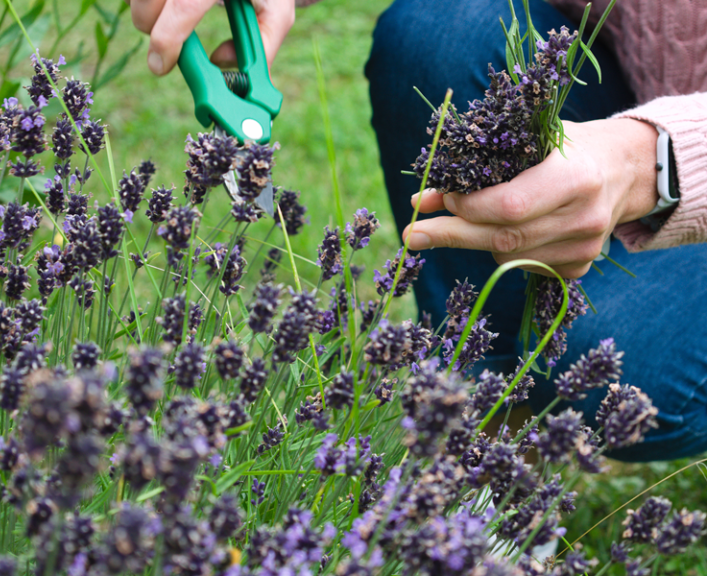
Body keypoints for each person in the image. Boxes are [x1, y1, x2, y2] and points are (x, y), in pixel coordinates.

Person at [127, 0, 707, 462]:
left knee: (618, 370)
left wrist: (652, 161)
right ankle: (487, 442)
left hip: (679, 155)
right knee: (439, 31)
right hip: (628, 92)